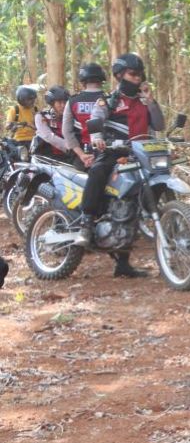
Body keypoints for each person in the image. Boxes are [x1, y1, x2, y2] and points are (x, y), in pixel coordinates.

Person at [73, 53, 165, 278]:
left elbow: (160, 124)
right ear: (119, 75)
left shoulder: (144, 102)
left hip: (140, 155)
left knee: (133, 201)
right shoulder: (109, 100)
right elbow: (96, 119)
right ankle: (86, 222)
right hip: (113, 153)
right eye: (133, 74)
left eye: (139, 75)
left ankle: (123, 264)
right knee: (98, 170)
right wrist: (96, 136)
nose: (137, 79)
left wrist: (150, 100)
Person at [62, 62, 107, 169]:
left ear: (83, 81)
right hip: (107, 154)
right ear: (101, 79)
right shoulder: (110, 100)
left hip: (83, 155)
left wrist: (82, 155)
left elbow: (66, 131)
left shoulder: (73, 101)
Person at [32, 86, 73, 163]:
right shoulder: (41, 116)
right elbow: (48, 136)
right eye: (59, 102)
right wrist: (69, 146)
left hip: (68, 157)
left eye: (65, 102)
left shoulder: (70, 117)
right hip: (46, 159)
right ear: (52, 103)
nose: (63, 105)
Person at [6, 85, 38, 159]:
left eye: (33, 99)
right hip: (19, 141)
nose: (33, 101)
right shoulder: (15, 110)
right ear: (22, 99)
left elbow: (38, 126)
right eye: (30, 99)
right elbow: (7, 126)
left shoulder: (35, 109)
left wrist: (29, 125)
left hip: (33, 141)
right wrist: (14, 124)